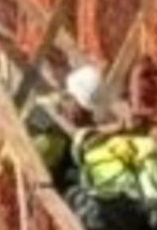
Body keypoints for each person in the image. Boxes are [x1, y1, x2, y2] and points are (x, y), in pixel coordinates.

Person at [22, 61, 105, 194]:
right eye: (81, 110)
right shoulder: (42, 113)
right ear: (69, 96)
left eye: (87, 113)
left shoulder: (71, 126)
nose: (82, 118)